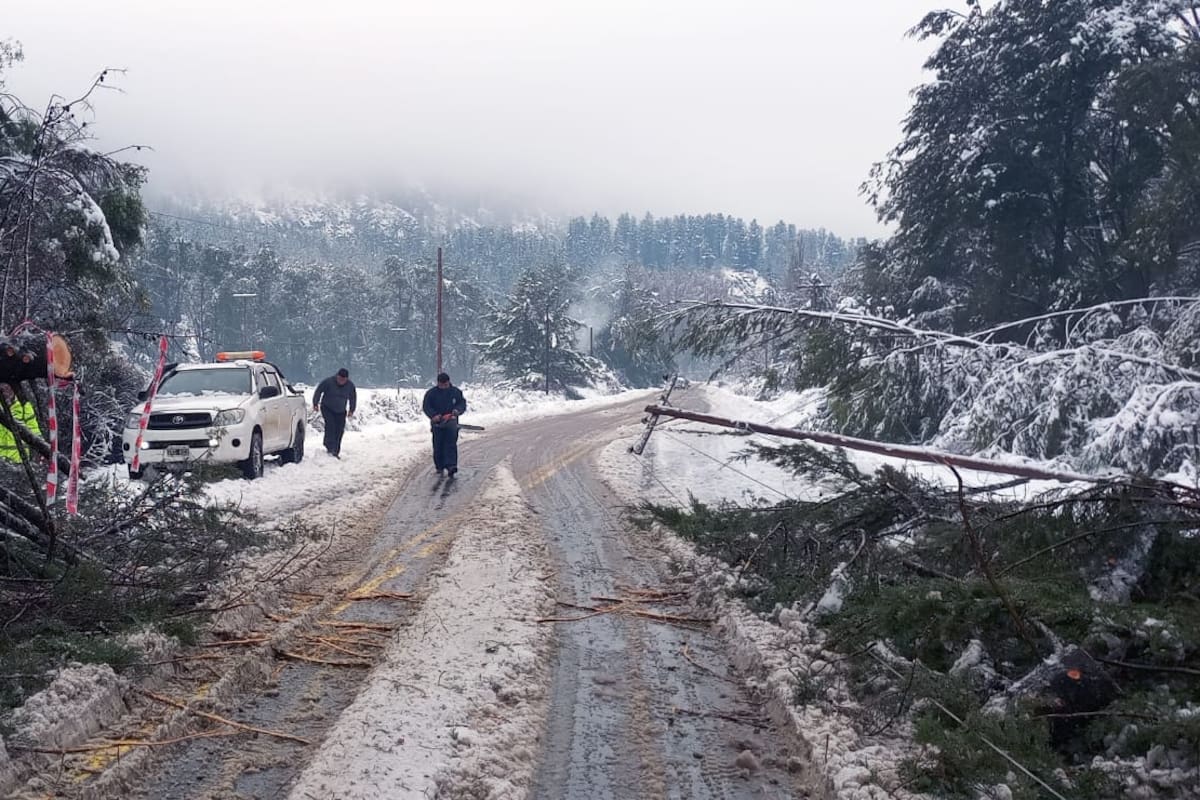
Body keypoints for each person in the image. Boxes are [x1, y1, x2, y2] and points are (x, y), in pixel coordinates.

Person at [422, 372, 466, 477]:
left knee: (451, 444)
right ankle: (439, 466)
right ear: (438, 383)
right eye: (441, 385)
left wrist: (457, 410)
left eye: (445, 385)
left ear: (449, 382)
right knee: (438, 445)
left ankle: (451, 466)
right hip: (437, 424)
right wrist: (433, 415)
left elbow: (462, 404)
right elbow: (426, 406)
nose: (444, 387)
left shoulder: (456, 392)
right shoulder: (431, 394)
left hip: (452, 423)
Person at [312, 368, 356, 458]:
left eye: (344, 380)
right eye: (340, 379)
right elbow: (318, 391)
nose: (341, 381)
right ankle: (329, 447)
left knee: (339, 430)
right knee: (330, 425)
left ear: (347, 379)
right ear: (337, 376)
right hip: (327, 408)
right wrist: (315, 403)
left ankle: (335, 451)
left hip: (341, 410)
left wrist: (351, 410)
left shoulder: (350, 386)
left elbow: (353, 398)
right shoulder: (328, 382)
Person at [0, 384, 41, 463]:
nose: (5, 392)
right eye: (2, 389)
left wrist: (42, 452)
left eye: (7, 388)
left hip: (20, 461)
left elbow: (34, 430)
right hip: (2, 463)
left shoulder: (24, 406)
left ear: (13, 389)